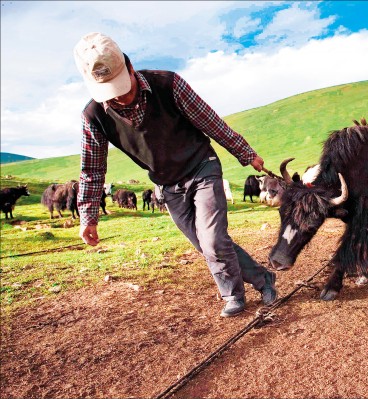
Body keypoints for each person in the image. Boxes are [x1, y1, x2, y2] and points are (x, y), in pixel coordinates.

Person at [73, 32, 277, 317]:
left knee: (213, 241)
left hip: (201, 167)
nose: (119, 97)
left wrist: (245, 153)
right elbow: (92, 170)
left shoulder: (168, 84)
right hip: (168, 184)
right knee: (207, 245)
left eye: (122, 87)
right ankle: (264, 278)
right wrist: (88, 216)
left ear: (130, 68)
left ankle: (233, 295)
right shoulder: (93, 116)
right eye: (111, 93)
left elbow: (211, 122)